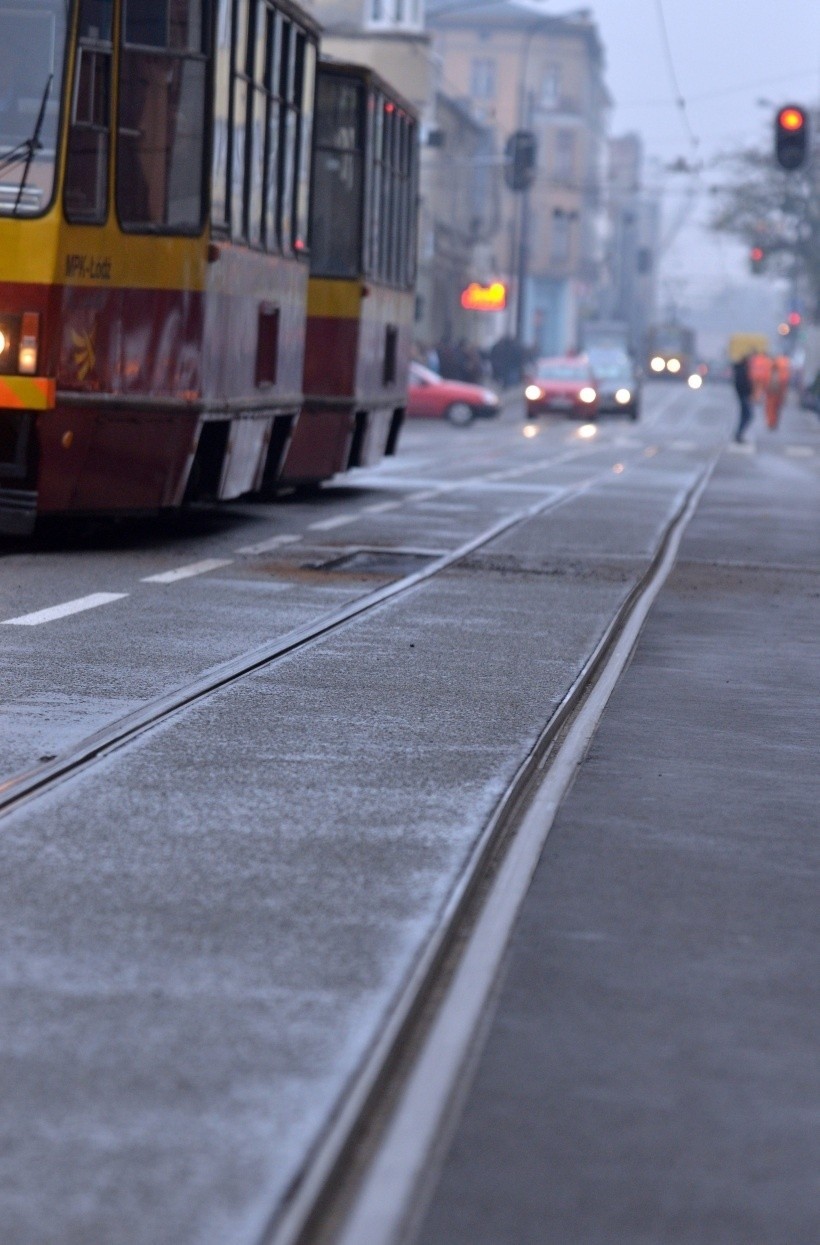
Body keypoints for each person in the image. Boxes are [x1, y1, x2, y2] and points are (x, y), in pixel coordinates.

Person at [732, 353, 754, 443]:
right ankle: (739, 434)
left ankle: (739, 434)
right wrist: (748, 392)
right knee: (747, 416)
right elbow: (741, 384)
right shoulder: (742, 370)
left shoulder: (741, 369)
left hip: (743, 396)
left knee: (746, 416)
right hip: (744, 396)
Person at [765, 353, 790, 430]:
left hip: (773, 393)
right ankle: (773, 423)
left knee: (772, 409)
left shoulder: (772, 372)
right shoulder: (782, 372)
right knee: (775, 409)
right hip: (776, 393)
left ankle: (772, 423)